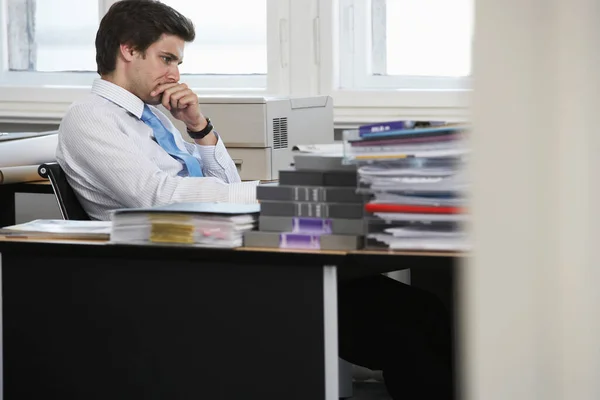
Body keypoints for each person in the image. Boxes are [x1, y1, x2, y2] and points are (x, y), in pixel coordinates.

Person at [56, 1, 453, 399]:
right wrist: (276, 192)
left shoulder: (153, 117)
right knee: (408, 327)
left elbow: (226, 182)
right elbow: (159, 198)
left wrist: (199, 127)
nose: (175, 74)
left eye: (177, 61)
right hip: (183, 276)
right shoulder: (91, 116)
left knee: (423, 313)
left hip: (223, 251)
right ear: (128, 49)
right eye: (166, 58)